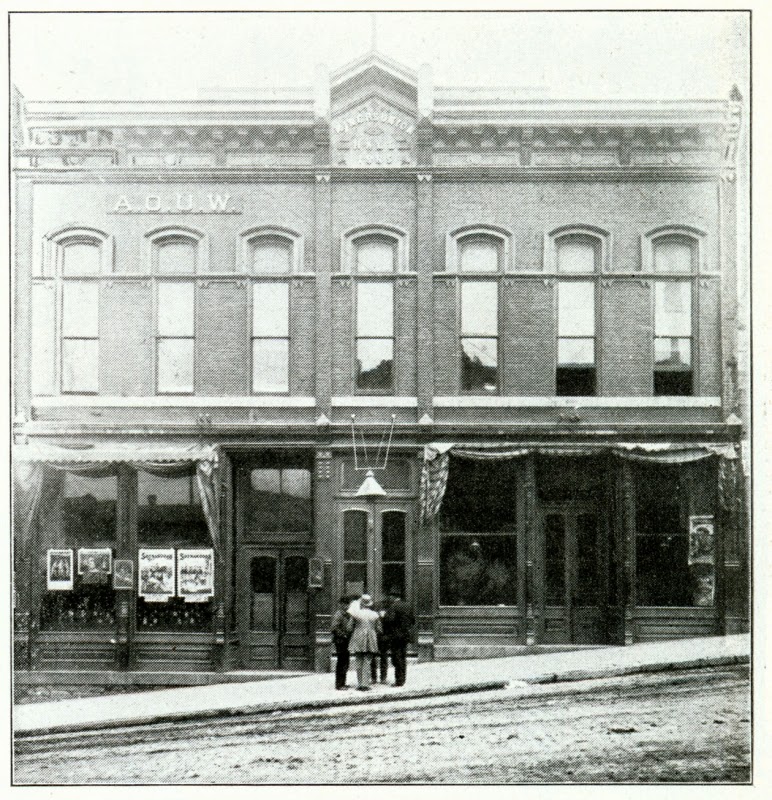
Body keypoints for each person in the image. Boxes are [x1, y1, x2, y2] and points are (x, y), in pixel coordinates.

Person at [347, 594, 382, 691]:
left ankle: (359, 684)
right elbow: (379, 629)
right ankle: (365, 684)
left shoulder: (356, 614)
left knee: (358, 660)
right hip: (371, 638)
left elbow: (349, 627)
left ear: (361, 604)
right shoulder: (375, 615)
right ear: (370, 604)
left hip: (358, 638)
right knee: (367, 660)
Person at [382, 589, 416, 687]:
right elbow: (413, 620)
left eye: (390, 596)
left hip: (395, 636)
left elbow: (389, 619)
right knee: (403, 657)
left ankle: (399, 680)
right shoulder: (408, 606)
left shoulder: (393, 606)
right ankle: (403, 679)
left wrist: (384, 616)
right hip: (405, 635)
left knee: (396, 658)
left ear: (393, 597)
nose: (389, 598)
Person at [330, 596, 353, 690]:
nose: (346, 606)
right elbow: (334, 628)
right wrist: (343, 635)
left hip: (346, 641)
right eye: (345, 604)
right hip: (340, 641)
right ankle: (339, 684)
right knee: (341, 662)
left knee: (345, 662)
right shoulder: (338, 615)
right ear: (341, 604)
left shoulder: (347, 614)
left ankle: (343, 682)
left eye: (348, 604)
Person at [371, 598, 390, 684]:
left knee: (381, 658)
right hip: (378, 637)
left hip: (381, 638)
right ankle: (378, 678)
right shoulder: (374, 614)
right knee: (378, 658)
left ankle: (379, 678)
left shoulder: (388, 612)